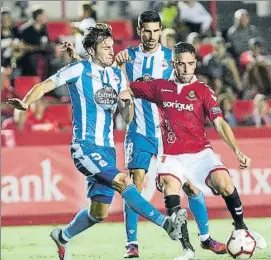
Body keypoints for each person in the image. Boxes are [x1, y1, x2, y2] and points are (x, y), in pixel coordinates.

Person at [7, 23, 186, 260]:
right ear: (92, 50)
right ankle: (167, 224)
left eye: (112, 46)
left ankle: (62, 236)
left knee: (99, 213)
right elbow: (45, 85)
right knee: (124, 181)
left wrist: (126, 103)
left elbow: (127, 117)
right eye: (106, 48)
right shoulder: (77, 69)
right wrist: (26, 102)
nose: (112, 51)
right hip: (85, 146)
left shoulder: (115, 75)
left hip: (107, 149)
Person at [129, 41, 267, 259]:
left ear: (195, 64)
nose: (186, 69)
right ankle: (187, 248)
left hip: (200, 153)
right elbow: (125, 89)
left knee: (224, 182)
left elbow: (220, 122)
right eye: (181, 64)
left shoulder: (203, 91)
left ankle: (241, 227)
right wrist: (120, 72)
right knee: (170, 187)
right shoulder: (159, 87)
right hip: (172, 155)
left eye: (190, 64)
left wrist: (237, 151)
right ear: (173, 64)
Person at [115, 10, 225, 259]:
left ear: (160, 31)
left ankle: (205, 239)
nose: (151, 36)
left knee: (190, 186)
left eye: (156, 31)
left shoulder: (170, 58)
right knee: (136, 182)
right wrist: (118, 66)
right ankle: (131, 243)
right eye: (147, 31)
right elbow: (116, 83)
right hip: (139, 130)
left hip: (169, 134)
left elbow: (189, 89)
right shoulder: (128, 57)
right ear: (139, 30)